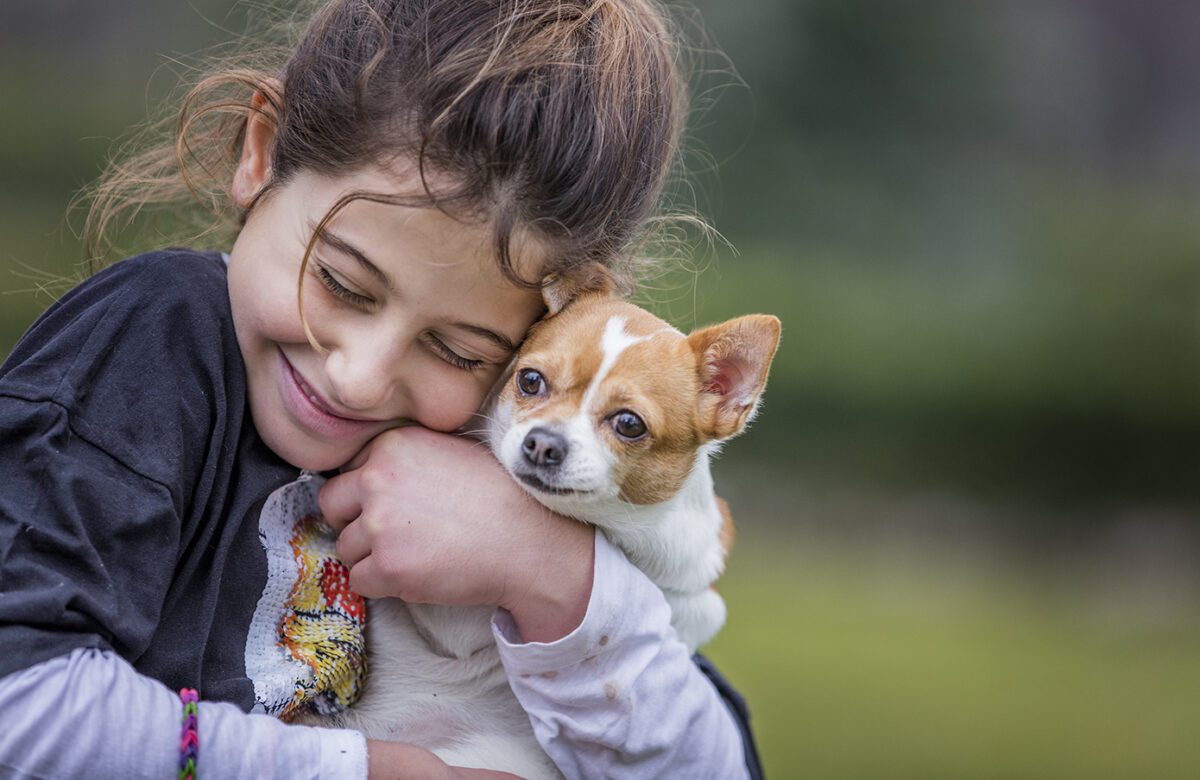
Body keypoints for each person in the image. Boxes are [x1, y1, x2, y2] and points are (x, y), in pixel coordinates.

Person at [0, 1, 762, 778]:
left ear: (555, 319)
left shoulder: (508, 463)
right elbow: (17, 704)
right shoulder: (158, 338)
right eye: (341, 283)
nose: (357, 377)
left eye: (454, 348)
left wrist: (552, 576)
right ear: (262, 150)